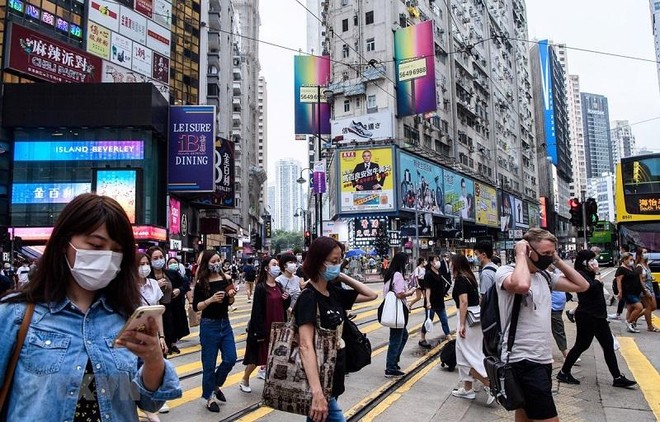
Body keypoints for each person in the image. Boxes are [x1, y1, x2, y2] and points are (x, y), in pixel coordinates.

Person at [0, 193, 181, 419]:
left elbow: (148, 402)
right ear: (64, 243)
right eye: (95, 245)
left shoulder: (126, 315)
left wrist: (153, 360)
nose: (106, 256)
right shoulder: (15, 314)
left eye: (116, 250)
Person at [494, 228, 589, 422]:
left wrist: (556, 260)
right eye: (545, 253)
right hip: (523, 359)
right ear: (529, 251)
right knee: (548, 418)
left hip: (542, 358)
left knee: (525, 414)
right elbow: (521, 285)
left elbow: (582, 285)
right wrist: (520, 254)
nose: (549, 257)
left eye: (551, 252)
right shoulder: (506, 272)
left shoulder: (545, 277)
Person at [297, 236, 377, 422]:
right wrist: (317, 392)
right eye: (334, 261)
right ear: (318, 262)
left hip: (335, 377)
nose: (338, 264)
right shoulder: (309, 297)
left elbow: (371, 294)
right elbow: (305, 345)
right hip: (320, 383)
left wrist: (339, 274)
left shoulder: (333, 292)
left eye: (340, 260)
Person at [557, 250, 637, 388]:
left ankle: (617, 377)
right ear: (584, 262)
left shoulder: (590, 273)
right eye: (592, 260)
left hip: (599, 316)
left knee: (608, 346)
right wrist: (598, 274)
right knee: (582, 345)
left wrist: (595, 274)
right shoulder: (580, 274)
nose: (595, 262)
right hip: (587, 316)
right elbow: (591, 288)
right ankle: (564, 372)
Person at [192, 250, 238, 412]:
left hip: (225, 324)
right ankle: (209, 396)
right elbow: (196, 306)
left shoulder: (226, 278)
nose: (216, 263)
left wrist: (231, 295)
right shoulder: (201, 282)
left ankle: (216, 386)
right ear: (206, 263)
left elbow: (230, 302)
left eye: (218, 260)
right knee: (209, 364)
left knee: (231, 358)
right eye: (213, 261)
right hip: (208, 325)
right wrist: (211, 300)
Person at [240, 256, 290, 393]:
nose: (277, 267)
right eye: (274, 264)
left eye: (277, 264)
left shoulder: (279, 285)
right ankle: (245, 378)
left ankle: (272, 382)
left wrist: (287, 299)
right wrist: (259, 330)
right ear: (267, 268)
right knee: (257, 356)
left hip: (278, 326)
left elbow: (283, 305)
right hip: (264, 327)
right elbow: (257, 310)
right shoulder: (261, 288)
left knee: (275, 356)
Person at [450, 254, 494, 404]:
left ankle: (490, 384)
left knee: (467, 357)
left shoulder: (461, 279)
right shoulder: (470, 277)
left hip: (468, 320)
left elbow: (463, 302)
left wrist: (462, 324)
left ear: (456, 264)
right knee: (465, 354)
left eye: (451, 263)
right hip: (476, 319)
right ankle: (467, 389)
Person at [383, 252, 417, 376]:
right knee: (396, 338)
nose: (408, 263)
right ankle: (390, 367)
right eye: (406, 260)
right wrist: (411, 292)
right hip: (397, 310)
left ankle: (394, 361)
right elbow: (399, 294)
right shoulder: (397, 275)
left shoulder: (390, 274)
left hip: (393, 309)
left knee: (402, 336)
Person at [419, 255, 451, 348]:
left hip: (440, 301)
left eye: (438, 260)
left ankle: (449, 338)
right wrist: (428, 302)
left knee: (444, 320)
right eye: (436, 260)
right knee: (429, 320)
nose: (438, 262)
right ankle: (422, 338)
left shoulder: (439, 272)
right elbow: (427, 289)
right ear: (431, 263)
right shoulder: (428, 274)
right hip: (431, 302)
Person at [615, 253, 644, 333]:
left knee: (630, 309)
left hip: (635, 291)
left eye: (632, 259)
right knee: (639, 307)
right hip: (628, 292)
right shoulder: (621, 269)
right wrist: (620, 292)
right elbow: (618, 281)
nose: (632, 261)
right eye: (630, 259)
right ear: (624, 260)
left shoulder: (631, 267)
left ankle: (629, 325)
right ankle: (629, 322)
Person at [634, 247, 659, 332]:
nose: (646, 254)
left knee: (654, 307)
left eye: (646, 252)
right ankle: (650, 326)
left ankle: (635, 317)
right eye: (644, 252)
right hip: (645, 289)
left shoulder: (646, 264)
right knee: (648, 307)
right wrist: (644, 290)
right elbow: (640, 280)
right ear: (640, 255)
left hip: (651, 287)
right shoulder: (639, 267)